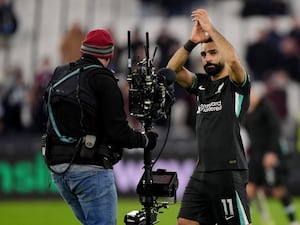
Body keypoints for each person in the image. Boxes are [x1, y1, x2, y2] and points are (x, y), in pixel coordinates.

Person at [42, 29, 158, 225]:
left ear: (83, 50)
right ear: (108, 55)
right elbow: (118, 132)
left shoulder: (61, 73)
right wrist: (145, 139)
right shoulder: (103, 78)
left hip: (58, 170)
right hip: (90, 169)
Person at [166, 9, 252, 225]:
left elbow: (233, 62)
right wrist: (192, 41)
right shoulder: (202, 84)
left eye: (213, 52)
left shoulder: (237, 85)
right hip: (202, 170)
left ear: (222, 52)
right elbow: (171, 70)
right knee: (185, 221)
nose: (207, 58)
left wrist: (210, 29)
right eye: (204, 55)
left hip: (228, 170)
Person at [242, 83, 300, 225]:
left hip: (269, 152)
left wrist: (272, 153)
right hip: (256, 155)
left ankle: (293, 221)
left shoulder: (266, 107)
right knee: (249, 189)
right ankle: (244, 221)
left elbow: (276, 130)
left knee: (277, 190)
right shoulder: (245, 111)